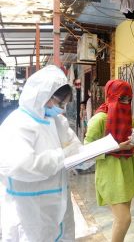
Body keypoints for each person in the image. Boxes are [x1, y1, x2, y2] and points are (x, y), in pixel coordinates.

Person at [0, 65, 82, 241]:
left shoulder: (56, 121)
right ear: (43, 97)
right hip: (30, 211)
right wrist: (63, 155)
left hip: (59, 207)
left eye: (65, 103)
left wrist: (86, 156)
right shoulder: (18, 124)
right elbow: (22, 166)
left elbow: (75, 147)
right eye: (60, 103)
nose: (62, 108)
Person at [84, 79, 134, 242]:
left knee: (120, 220)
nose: (126, 102)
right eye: (122, 98)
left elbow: (131, 147)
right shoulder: (99, 119)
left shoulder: (129, 117)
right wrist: (117, 148)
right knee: (124, 219)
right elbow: (87, 151)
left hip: (128, 173)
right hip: (110, 176)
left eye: (129, 99)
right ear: (111, 96)